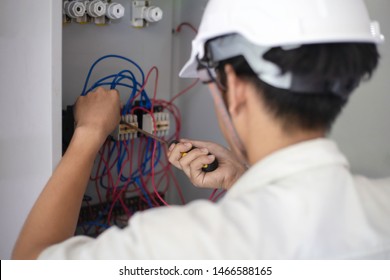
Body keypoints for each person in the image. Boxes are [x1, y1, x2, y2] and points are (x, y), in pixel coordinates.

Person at [12, 0, 390, 259]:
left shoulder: (178, 245)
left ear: (235, 87)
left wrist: (89, 134)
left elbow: (29, 264)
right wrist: (241, 179)